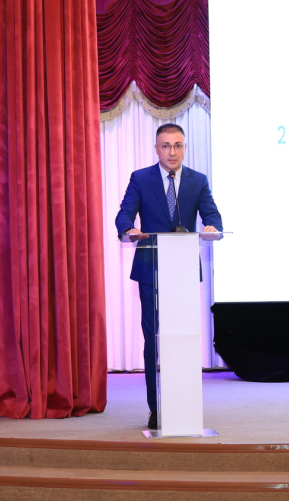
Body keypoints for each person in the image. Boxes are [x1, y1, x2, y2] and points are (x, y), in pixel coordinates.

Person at [115, 123, 222, 430]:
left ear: (184, 148)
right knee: (153, 339)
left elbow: (212, 216)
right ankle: (155, 407)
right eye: (166, 146)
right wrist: (128, 228)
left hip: (183, 271)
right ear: (156, 148)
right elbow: (124, 213)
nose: (172, 152)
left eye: (177, 145)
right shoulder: (141, 178)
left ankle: (183, 404)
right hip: (150, 269)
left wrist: (212, 227)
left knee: (183, 337)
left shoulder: (198, 180)